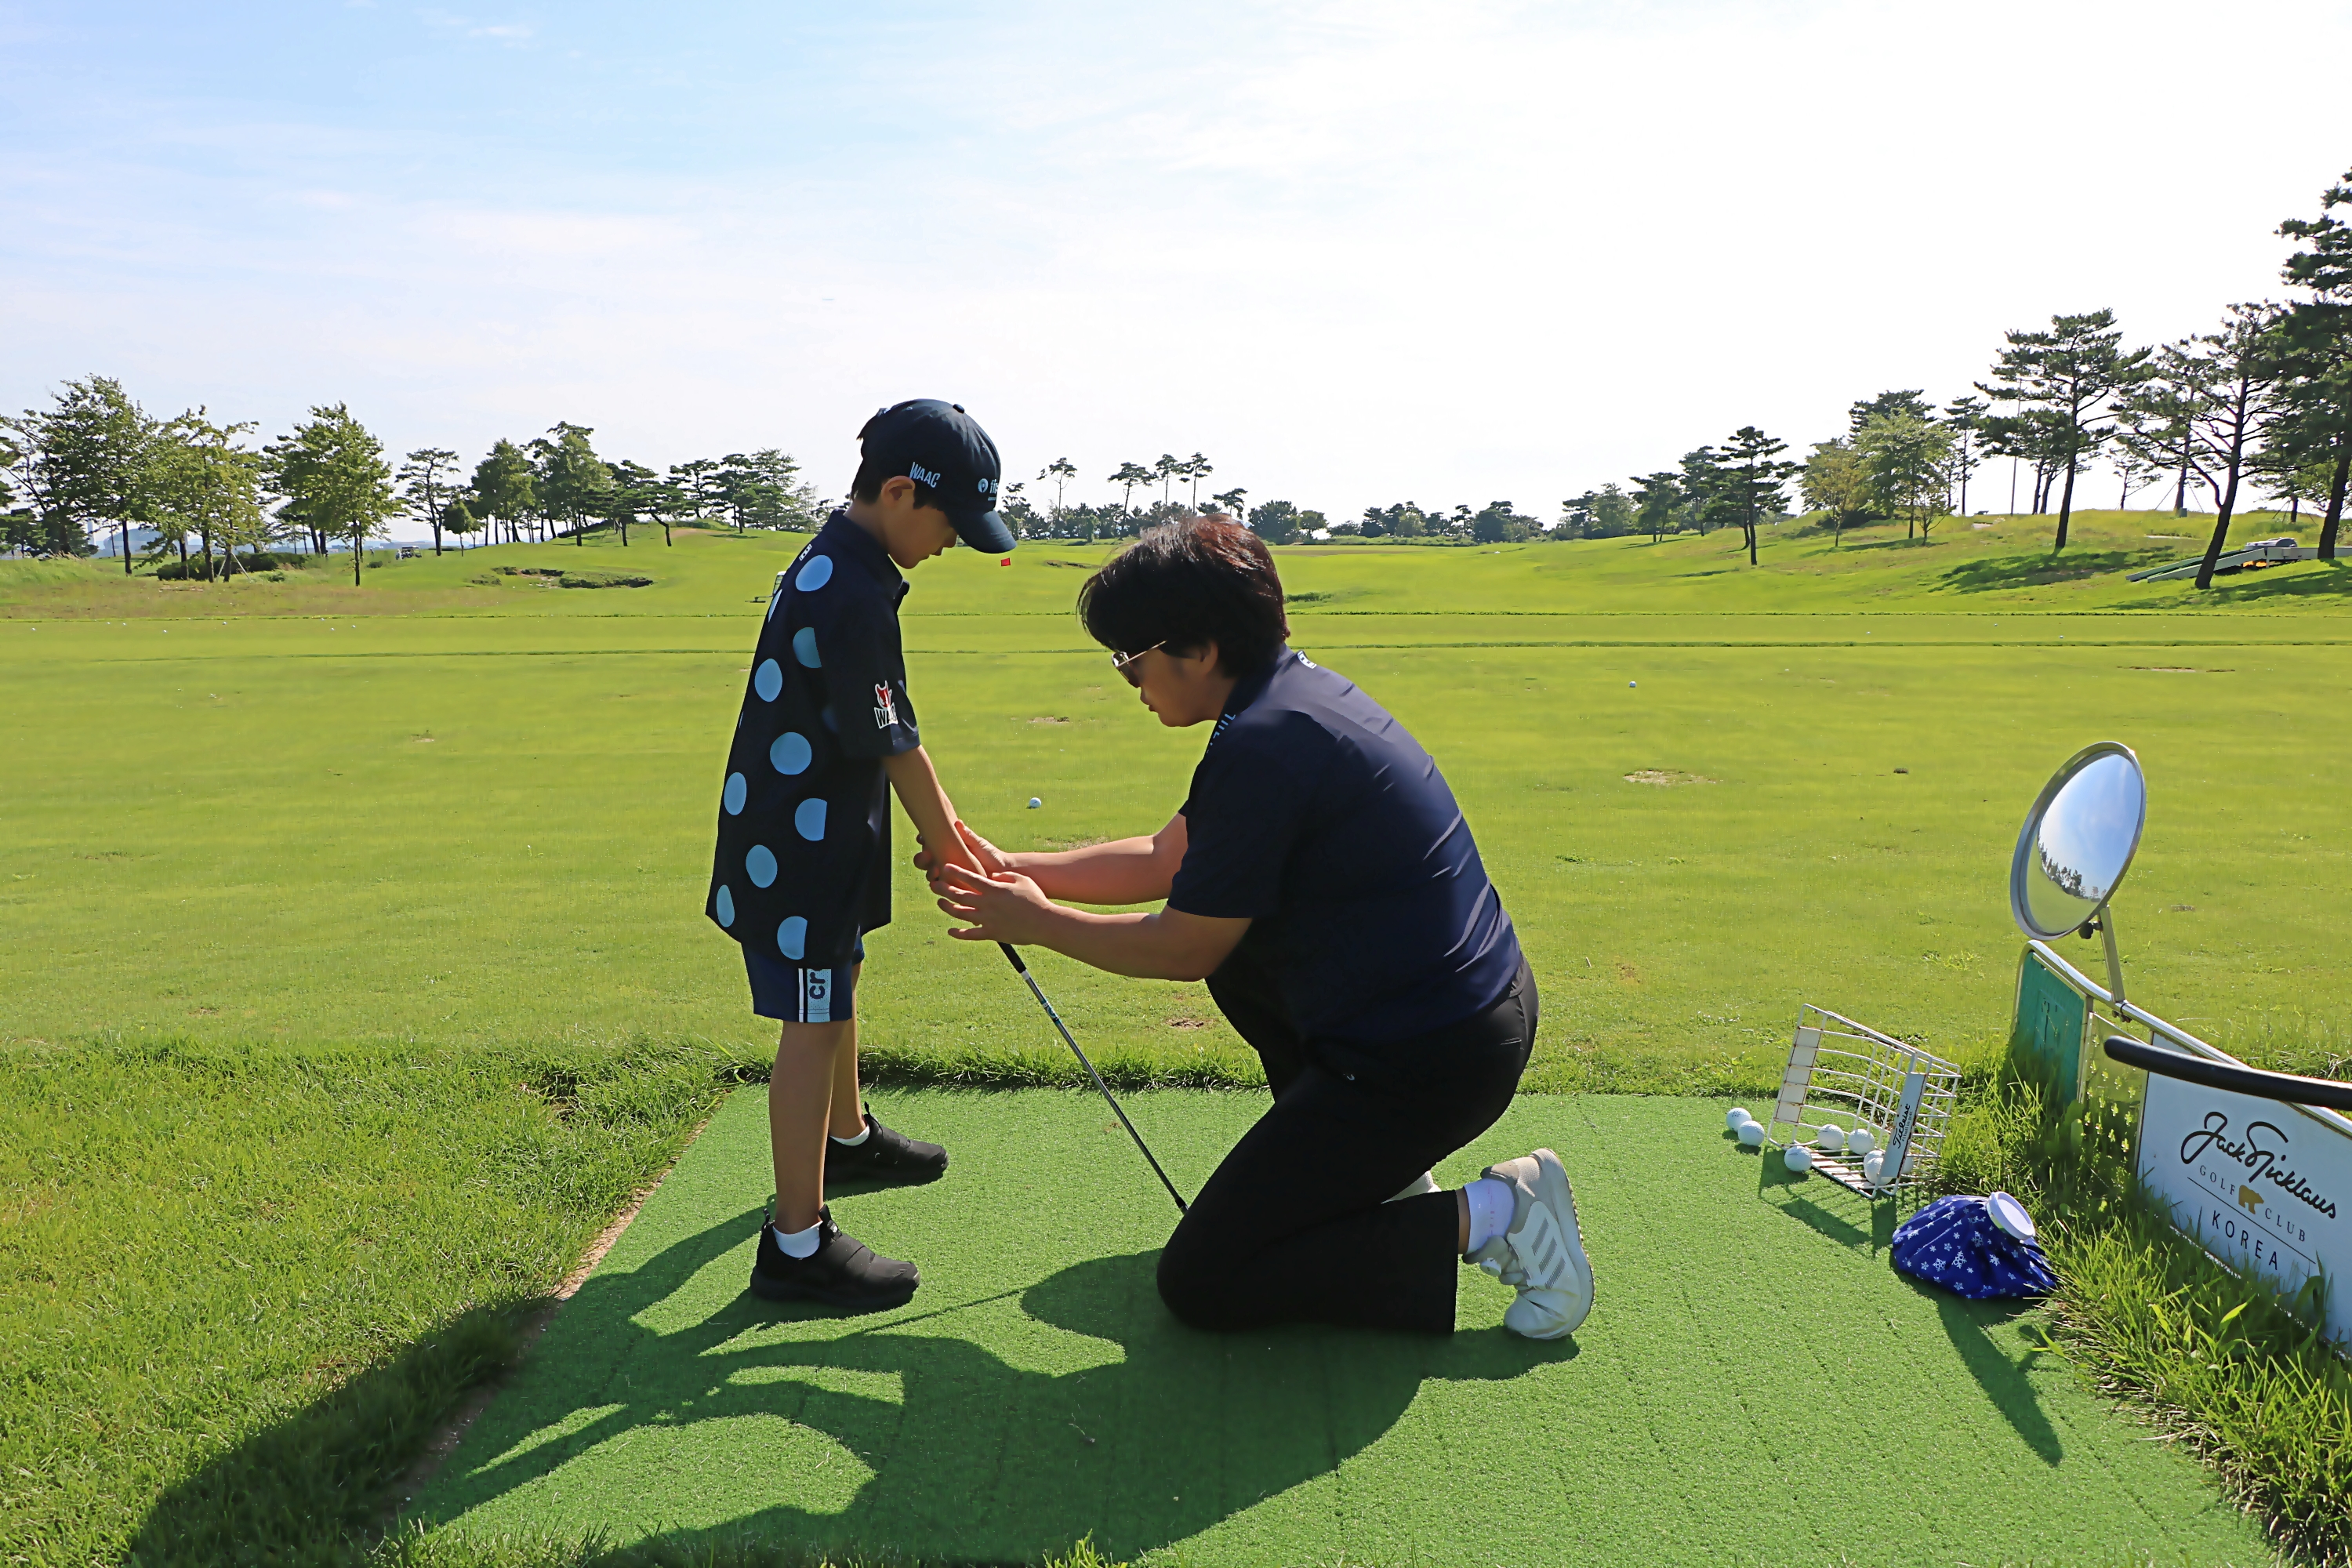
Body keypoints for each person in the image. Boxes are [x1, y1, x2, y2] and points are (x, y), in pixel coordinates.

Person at [929, 516, 1593, 1340]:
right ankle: (1381, 1179)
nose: (1129, 680)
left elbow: (1184, 945)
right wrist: (1012, 866)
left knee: (1206, 1280)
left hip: (1430, 1058)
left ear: (1200, 649)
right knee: (1244, 957)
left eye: (1131, 658)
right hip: (1439, 1025)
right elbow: (1170, 857)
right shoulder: (1286, 701)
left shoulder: (1269, 743)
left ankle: (1501, 1212)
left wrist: (1038, 921)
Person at [706, 399, 1011, 1311]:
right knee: (811, 1016)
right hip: (796, 848)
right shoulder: (848, 590)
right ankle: (796, 1243)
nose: (952, 542)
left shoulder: (843, 560)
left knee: (839, 980)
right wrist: (953, 845)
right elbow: (894, 738)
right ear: (899, 492)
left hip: (819, 830)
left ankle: (844, 1138)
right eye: (950, 522)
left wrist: (937, 833)